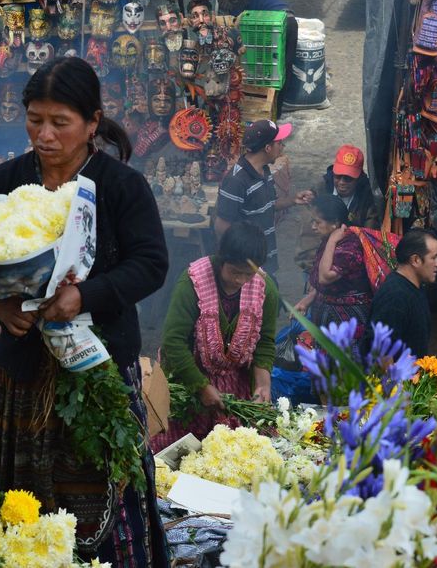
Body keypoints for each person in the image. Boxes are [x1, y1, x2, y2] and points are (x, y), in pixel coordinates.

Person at [0, 57, 170, 566]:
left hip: (98, 368)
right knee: (15, 499)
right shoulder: (2, 180)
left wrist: (85, 296)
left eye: (60, 123)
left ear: (92, 123)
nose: (44, 135)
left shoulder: (120, 187)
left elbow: (151, 264)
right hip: (23, 374)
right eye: (35, 119)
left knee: (107, 495)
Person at [151, 222, 278, 451]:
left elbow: (265, 341)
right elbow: (173, 341)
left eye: (247, 274)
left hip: (235, 381)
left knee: (237, 450)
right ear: (222, 260)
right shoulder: (192, 282)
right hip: (188, 376)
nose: (240, 280)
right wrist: (201, 386)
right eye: (234, 272)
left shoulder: (265, 288)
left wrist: (262, 383)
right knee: (178, 450)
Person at [214, 119, 312, 277]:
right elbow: (221, 226)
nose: (282, 147)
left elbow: (267, 205)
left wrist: (293, 200)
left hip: (266, 260)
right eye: (279, 143)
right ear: (268, 148)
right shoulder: (236, 181)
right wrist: (243, 264)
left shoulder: (264, 170)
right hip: (247, 268)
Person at [295, 195, 373, 349]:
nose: (313, 227)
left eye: (318, 222)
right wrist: (308, 300)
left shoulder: (349, 247)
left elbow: (325, 277)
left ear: (335, 223)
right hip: (329, 318)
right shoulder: (332, 240)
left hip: (347, 321)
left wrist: (332, 241)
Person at [295, 144, 379, 274]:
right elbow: (308, 237)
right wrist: (313, 271)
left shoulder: (368, 196)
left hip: (352, 264)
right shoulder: (318, 191)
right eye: (338, 176)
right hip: (316, 263)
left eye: (348, 178)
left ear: (359, 177)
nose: (341, 182)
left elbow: (368, 234)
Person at [368, 229, 437, 357]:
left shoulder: (415, 287)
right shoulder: (395, 296)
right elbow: (381, 352)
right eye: (433, 258)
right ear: (416, 260)